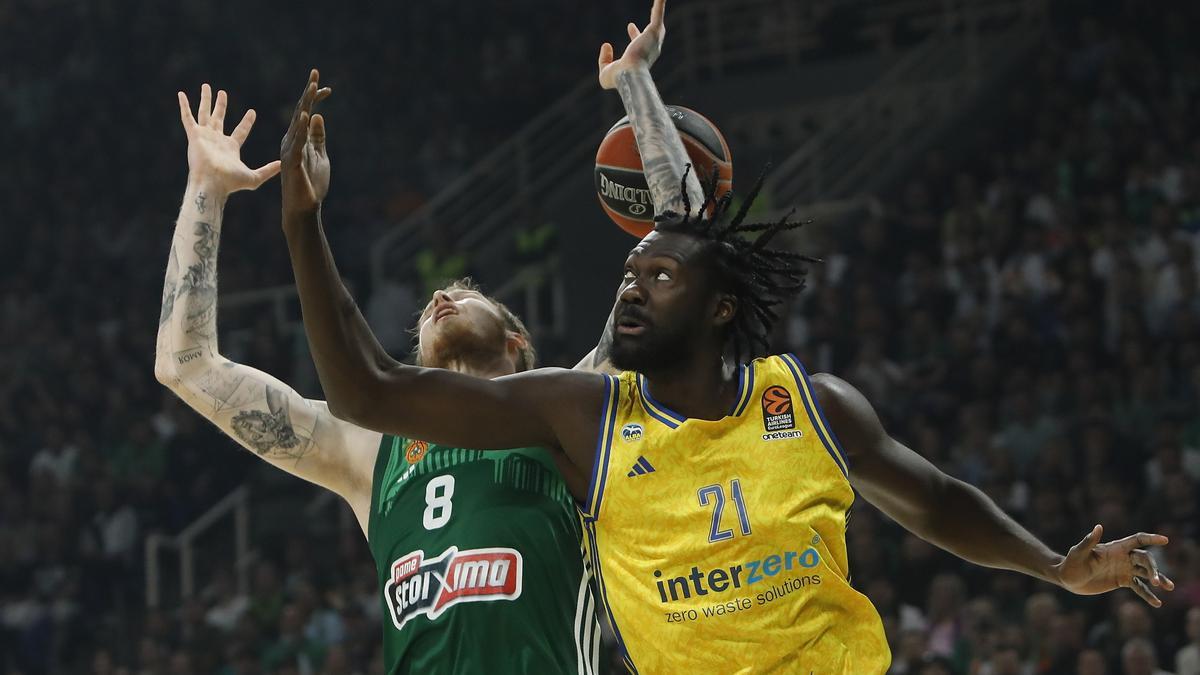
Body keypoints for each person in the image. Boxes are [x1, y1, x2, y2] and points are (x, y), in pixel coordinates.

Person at [278, 3, 1174, 672]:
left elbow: (935, 500)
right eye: (628, 275)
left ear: (716, 309)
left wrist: (1052, 566)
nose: (631, 284)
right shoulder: (582, 413)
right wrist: (303, 223)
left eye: (657, 277)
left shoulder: (813, 406)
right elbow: (368, 391)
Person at [154, 84, 603, 673]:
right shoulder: (369, 451)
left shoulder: (573, 412)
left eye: (467, 294)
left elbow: (667, 302)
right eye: (431, 304)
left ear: (516, 341)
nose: (440, 296)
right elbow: (185, 365)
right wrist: (206, 189)